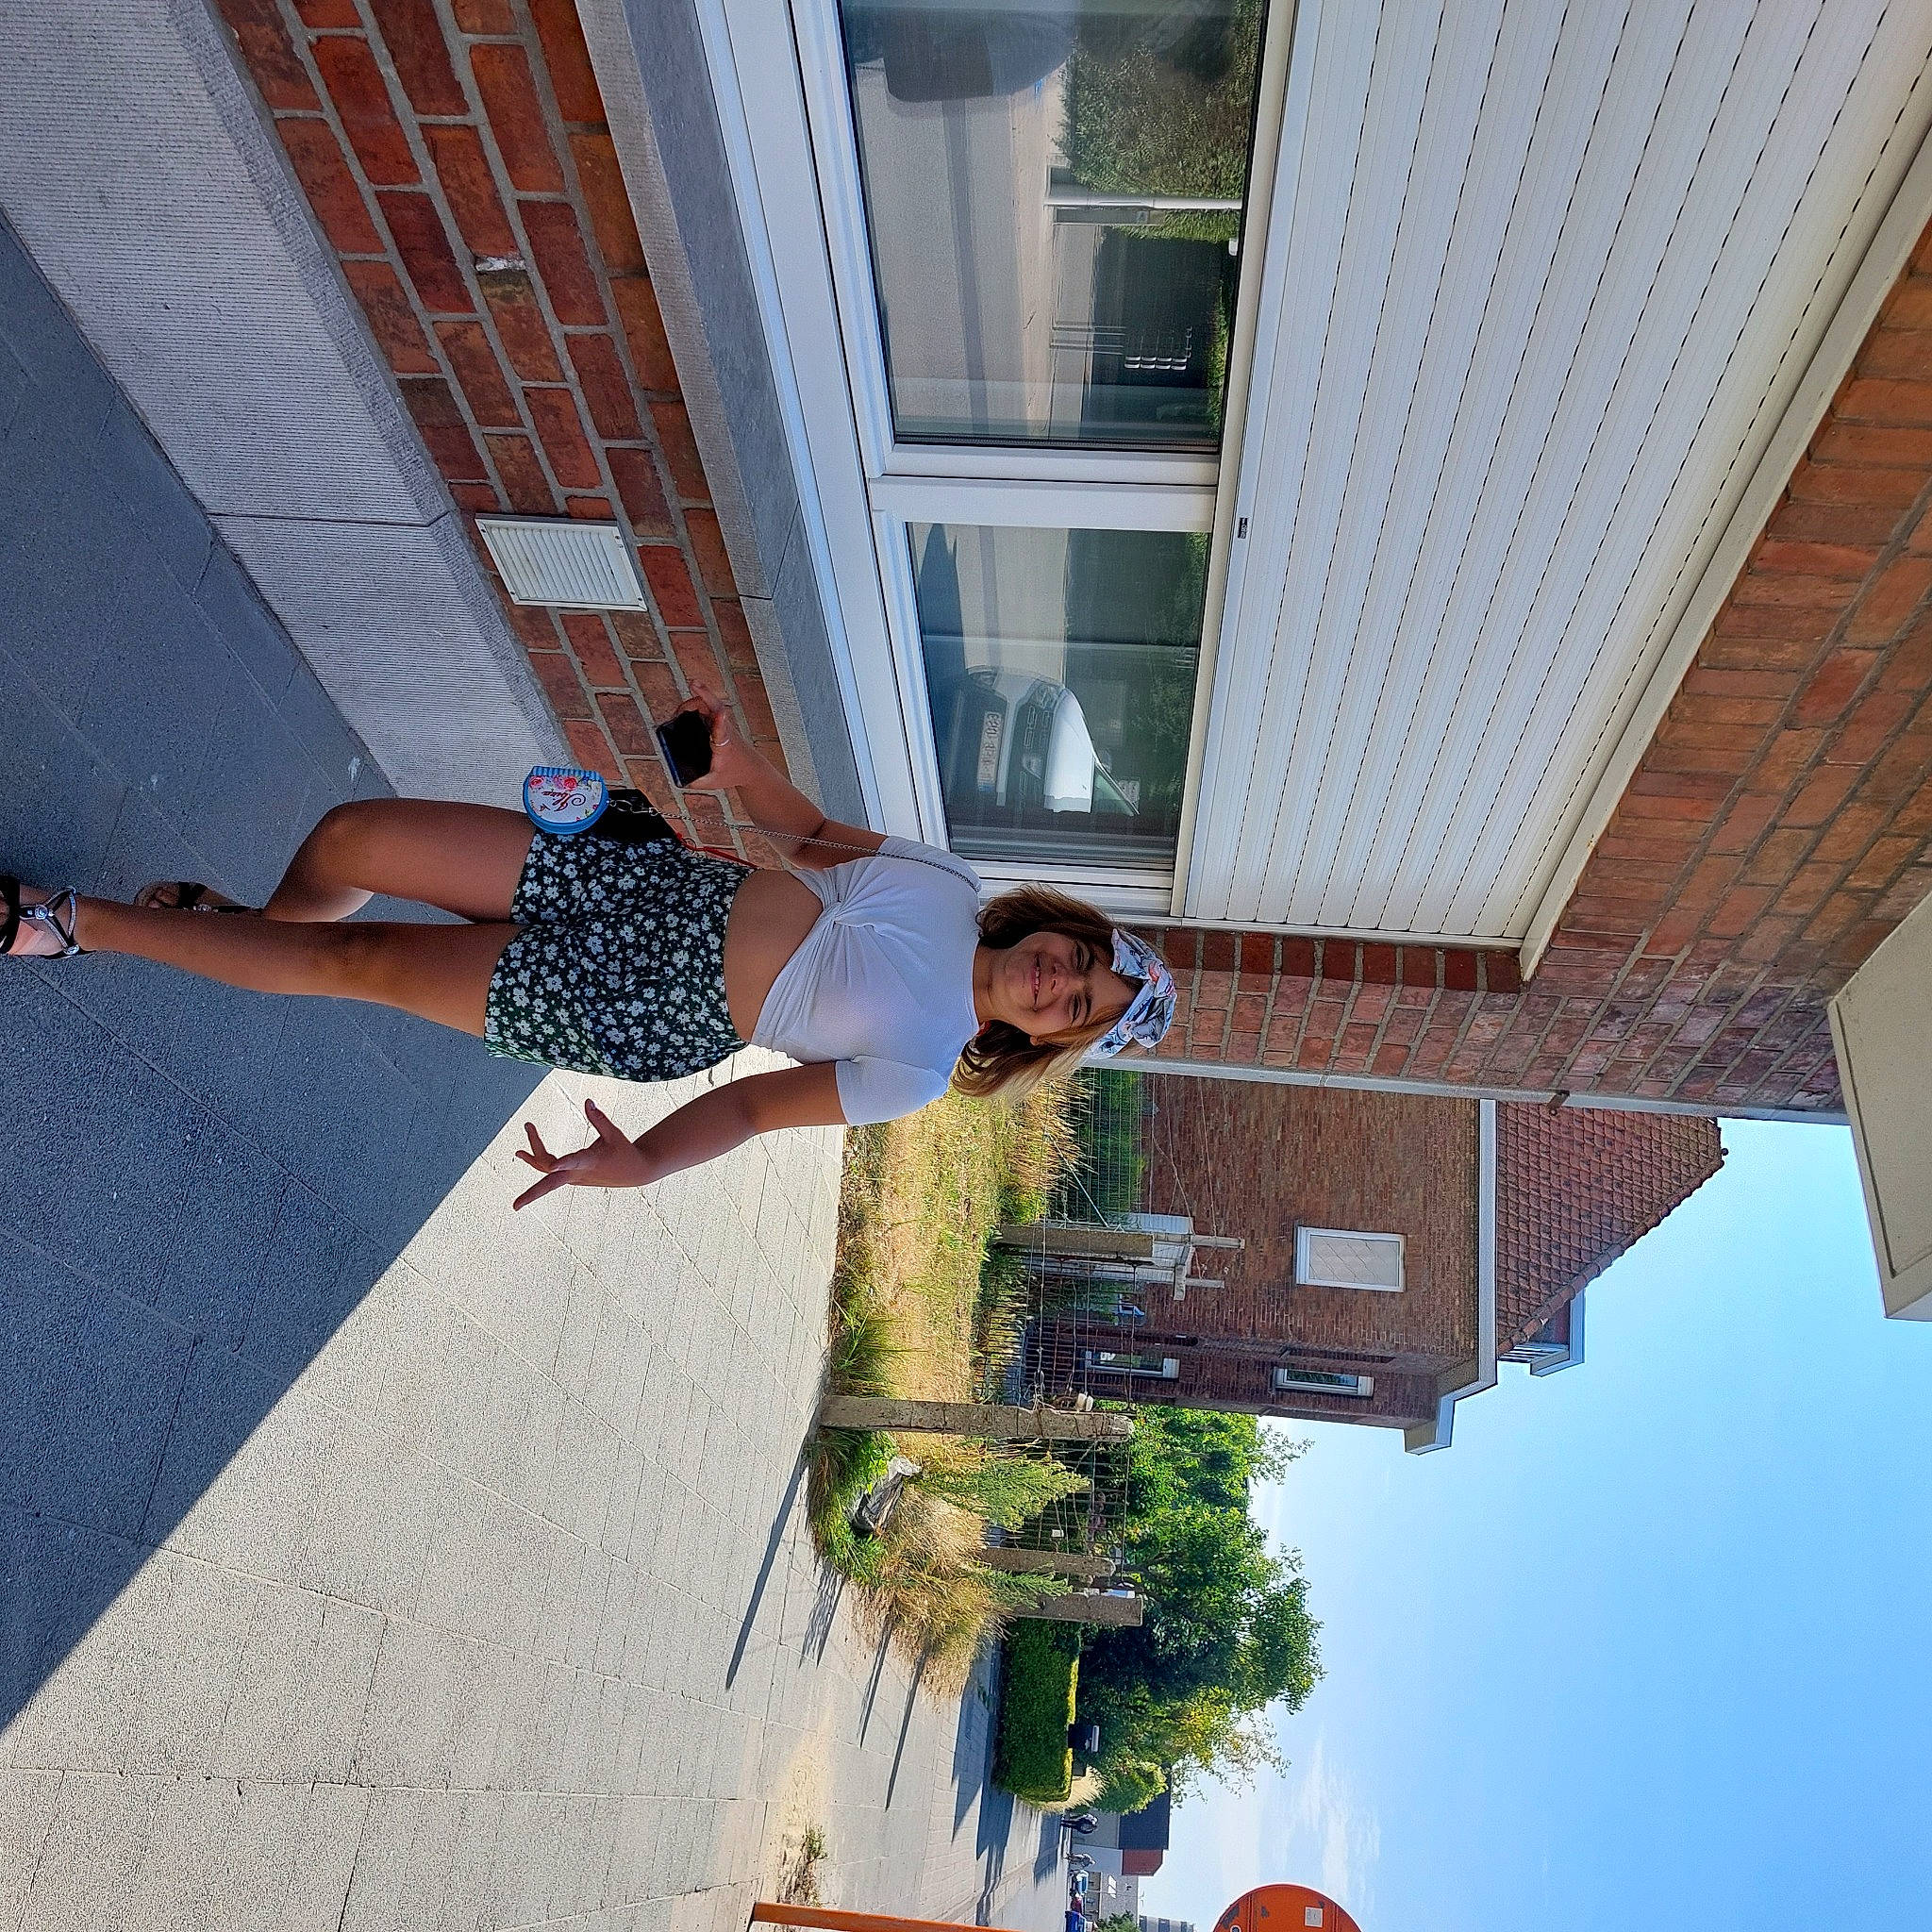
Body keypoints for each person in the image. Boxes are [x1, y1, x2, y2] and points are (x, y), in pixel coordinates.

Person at [4, 686, 1174, 1208]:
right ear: (1063, 929)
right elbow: (809, 837)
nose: (1059, 981)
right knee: (354, 836)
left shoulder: (916, 1068)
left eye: (1075, 1007)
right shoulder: (949, 883)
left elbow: (753, 1107)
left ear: (1041, 1040)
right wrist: (737, 766)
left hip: (640, 1003)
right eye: (1081, 960)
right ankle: (231, 932)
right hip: (635, 876)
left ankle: (68, 922)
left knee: (354, 963)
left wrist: (644, 1162)